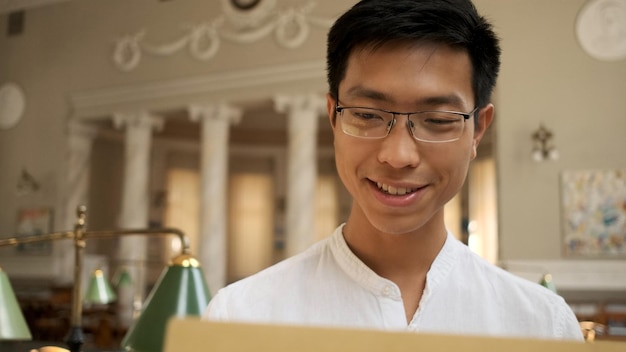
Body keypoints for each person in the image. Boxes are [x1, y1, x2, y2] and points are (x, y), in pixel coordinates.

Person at [204, 0, 584, 341]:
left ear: (478, 130)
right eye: (368, 115)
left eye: (436, 119)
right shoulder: (242, 316)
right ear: (332, 118)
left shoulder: (540, 326)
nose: (398, 155)